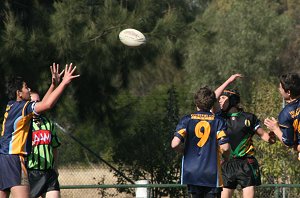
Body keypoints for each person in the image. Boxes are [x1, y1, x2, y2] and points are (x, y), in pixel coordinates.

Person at [0, 63, 79, 198]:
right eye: (26, 87)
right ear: (19, 93)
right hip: (14, 160)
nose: (29, 89)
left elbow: (42, 104)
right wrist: (64, 83)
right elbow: (47, 104)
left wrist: (53, 85)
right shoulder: (22, 108)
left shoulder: (12, 106)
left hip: (3, 159)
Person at [214, 74, 276, 198]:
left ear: (232, 100)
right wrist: (229, 81)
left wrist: (274, 132)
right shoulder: (220, 118)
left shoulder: (248, 118)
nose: (219, 101)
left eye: (223, 98)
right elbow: (212, 98)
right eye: (219, 99)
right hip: (227, 163)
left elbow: (266, 138)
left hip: (246, 164)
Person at [171, 86, 231, 198]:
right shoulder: (218, 121)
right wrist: (226, 158)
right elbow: (226, 147)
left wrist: (184, 151)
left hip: (192, 172)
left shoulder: (186, 120)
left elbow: (174, 144)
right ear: (212, 103)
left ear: (196, 103)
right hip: (211, 173)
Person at [27, 91, 61, 198]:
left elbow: (54, 146)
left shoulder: (48, 123)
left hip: (49, 173)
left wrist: (55, 167)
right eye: (33, 102)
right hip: (31, 173)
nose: (37, 104)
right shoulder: (24, 124)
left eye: (38, 101)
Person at [264, 73, 300, 154]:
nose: (279, 89)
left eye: (280, 88)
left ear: (288, 92)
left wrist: (275, 129)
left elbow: (288, 142)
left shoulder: (285, 114)